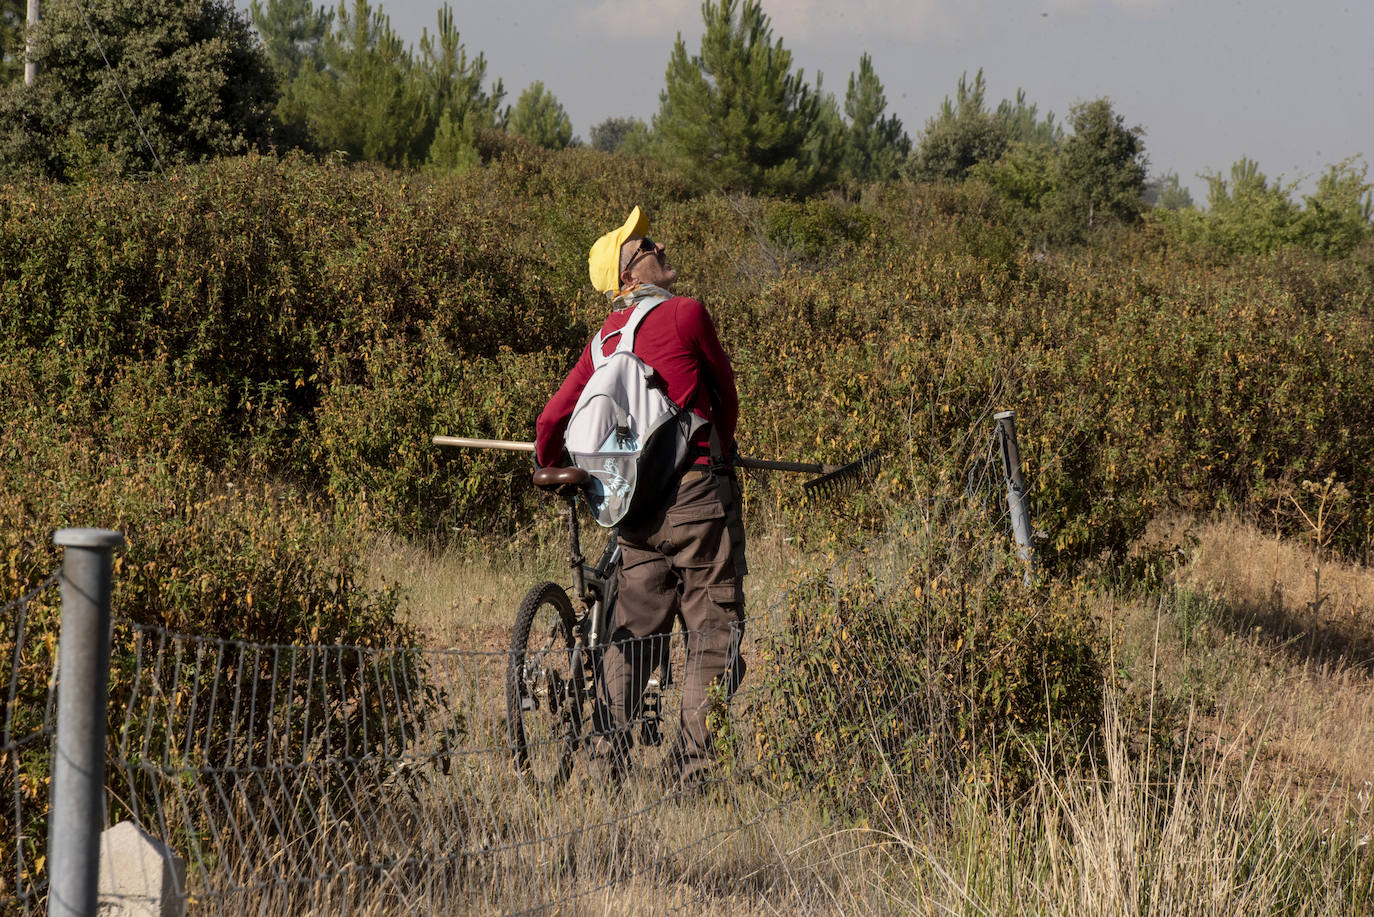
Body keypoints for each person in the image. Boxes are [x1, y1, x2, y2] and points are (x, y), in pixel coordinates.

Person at [534, 206, 747, 789]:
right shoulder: (686, 314)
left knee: (633, 635)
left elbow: (551, 418)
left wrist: (549, 464)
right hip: (699, 496)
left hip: (634, 511)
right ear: (631, 272)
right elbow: (725, 393)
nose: (658, 245)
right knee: (713, 629)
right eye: (647, 243)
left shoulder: (602, 341)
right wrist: (720, 449)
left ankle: (607, 765)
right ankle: (692, 773)